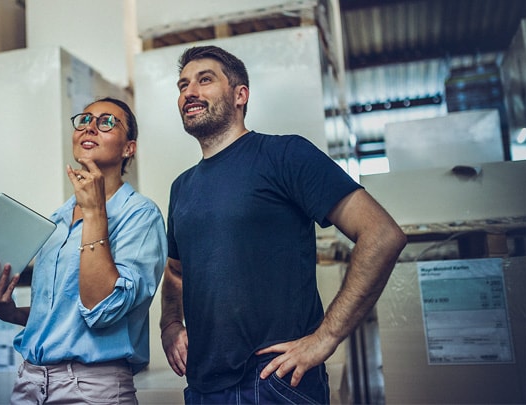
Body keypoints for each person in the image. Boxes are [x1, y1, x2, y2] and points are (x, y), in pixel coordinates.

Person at [159, 45, 407, 404]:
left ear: (240, 94)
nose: (189, 92)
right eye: (182, 85)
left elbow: (382, 234)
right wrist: (170, 323)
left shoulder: (285, 155)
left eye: (205, 80)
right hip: (203, 387)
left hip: (274, 382)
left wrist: (325, 338)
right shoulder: (181, 187)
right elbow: (176, 272)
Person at [0, 97, 167, 404]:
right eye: (85, 120)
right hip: (30, 382)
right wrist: (10, 312)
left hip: (91, 387)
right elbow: (63, 315)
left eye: (106, 122)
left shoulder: (140, 215)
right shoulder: (56, 220)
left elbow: (102, 309)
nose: (90, 126)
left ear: (129, 148)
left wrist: (94, 214)